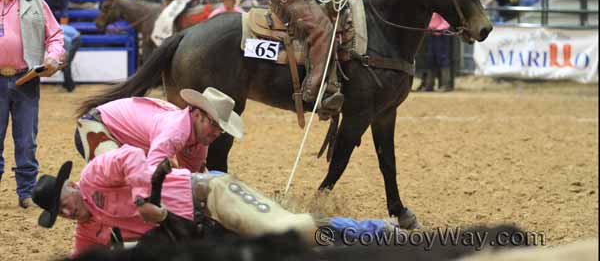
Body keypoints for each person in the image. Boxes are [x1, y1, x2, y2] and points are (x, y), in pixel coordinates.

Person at [33, 146, 403, 256]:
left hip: (210, 195)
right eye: (59, 215)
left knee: (286, 230)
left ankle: (376, 231)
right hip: (200, 228)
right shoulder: (87, 228)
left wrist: (142, 196)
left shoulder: (95, 174)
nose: (66, 213)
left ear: (69, 186)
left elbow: (130, 156)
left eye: (62, 204)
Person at [0, 0, 64, 209]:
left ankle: (26, 192)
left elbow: (56, 36)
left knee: (27, 139)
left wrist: (52, 56)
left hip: (25, 78)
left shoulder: (35, 1)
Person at [74, 87, 243, 171]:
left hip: (111, 128)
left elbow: (193, 177)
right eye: (213, 124)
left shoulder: (199, 136)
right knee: (122, 181)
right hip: (96, 126)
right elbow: (150, 174)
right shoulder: (176, 132)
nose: (215, 133)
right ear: (198, 114)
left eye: (220, 129)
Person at [61, 24, 81, 92]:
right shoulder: (55, 29)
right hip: (74, 38)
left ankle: (70, 86)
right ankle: (67, 83)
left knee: (66, 64)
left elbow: (68, 41)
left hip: (74, 40)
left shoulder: (56, 32)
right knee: (64, 63)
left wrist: (66, 54)